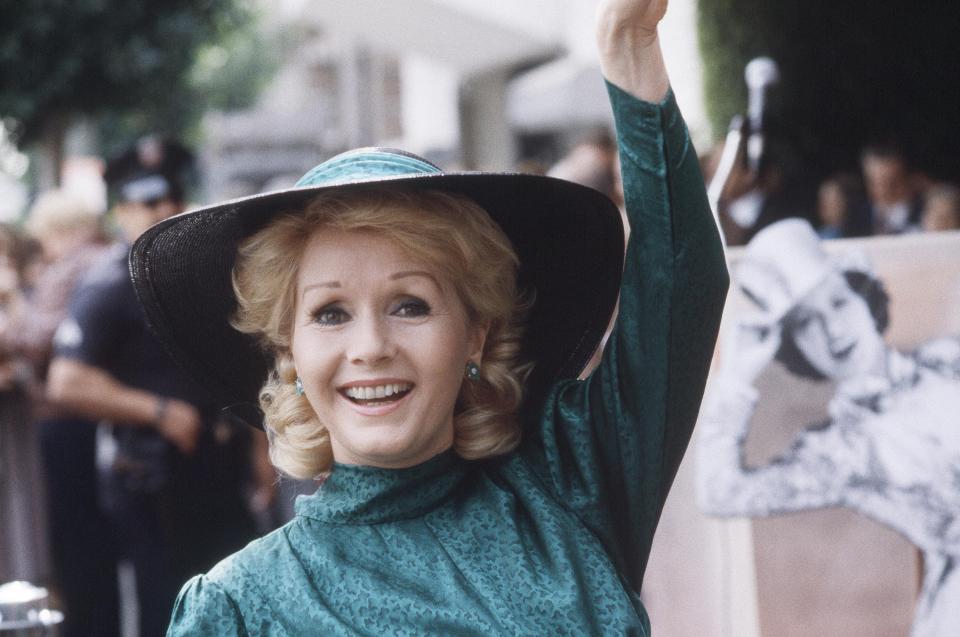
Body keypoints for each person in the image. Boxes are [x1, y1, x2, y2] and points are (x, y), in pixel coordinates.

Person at [131, 1, 728, 633]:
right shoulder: (238, 608)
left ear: (476, 332)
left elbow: (680, 284)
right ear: (289, 353)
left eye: (410, 305)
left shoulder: (571, 487)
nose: (370, 346)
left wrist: (628, 42)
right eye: (331, 313)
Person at [697, 218, 960, 637]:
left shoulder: (948, 358)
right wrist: (736, 381)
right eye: (804, 322)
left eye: (838, 303)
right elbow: (719, 494)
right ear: (792, 344)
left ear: (863, 298)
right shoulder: (838, 451)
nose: (832, 330)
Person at [46, 140, 263, 637]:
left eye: (171, 198)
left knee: (236, 599)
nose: (163, 210)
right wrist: (159, 411)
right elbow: (67, 380)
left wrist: (258, 444)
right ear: (122, 212)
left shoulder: (200, 270)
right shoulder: (110, 280)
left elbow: (239, 359)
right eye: (148, 202)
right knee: (164, 610)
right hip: (154, 473)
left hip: (218, 468)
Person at [6, 190, 117, 637]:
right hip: (94, 417)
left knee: (73, 542)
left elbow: (32, 337)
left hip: (64, 419)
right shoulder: (106, 261)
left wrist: (12, 297)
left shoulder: (72, 268)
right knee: (96, 543)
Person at [861, 143, 924, 235]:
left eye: (890, 183)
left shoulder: (925, 213)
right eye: (874, 182)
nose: (883, 190)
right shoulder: (856, 216)